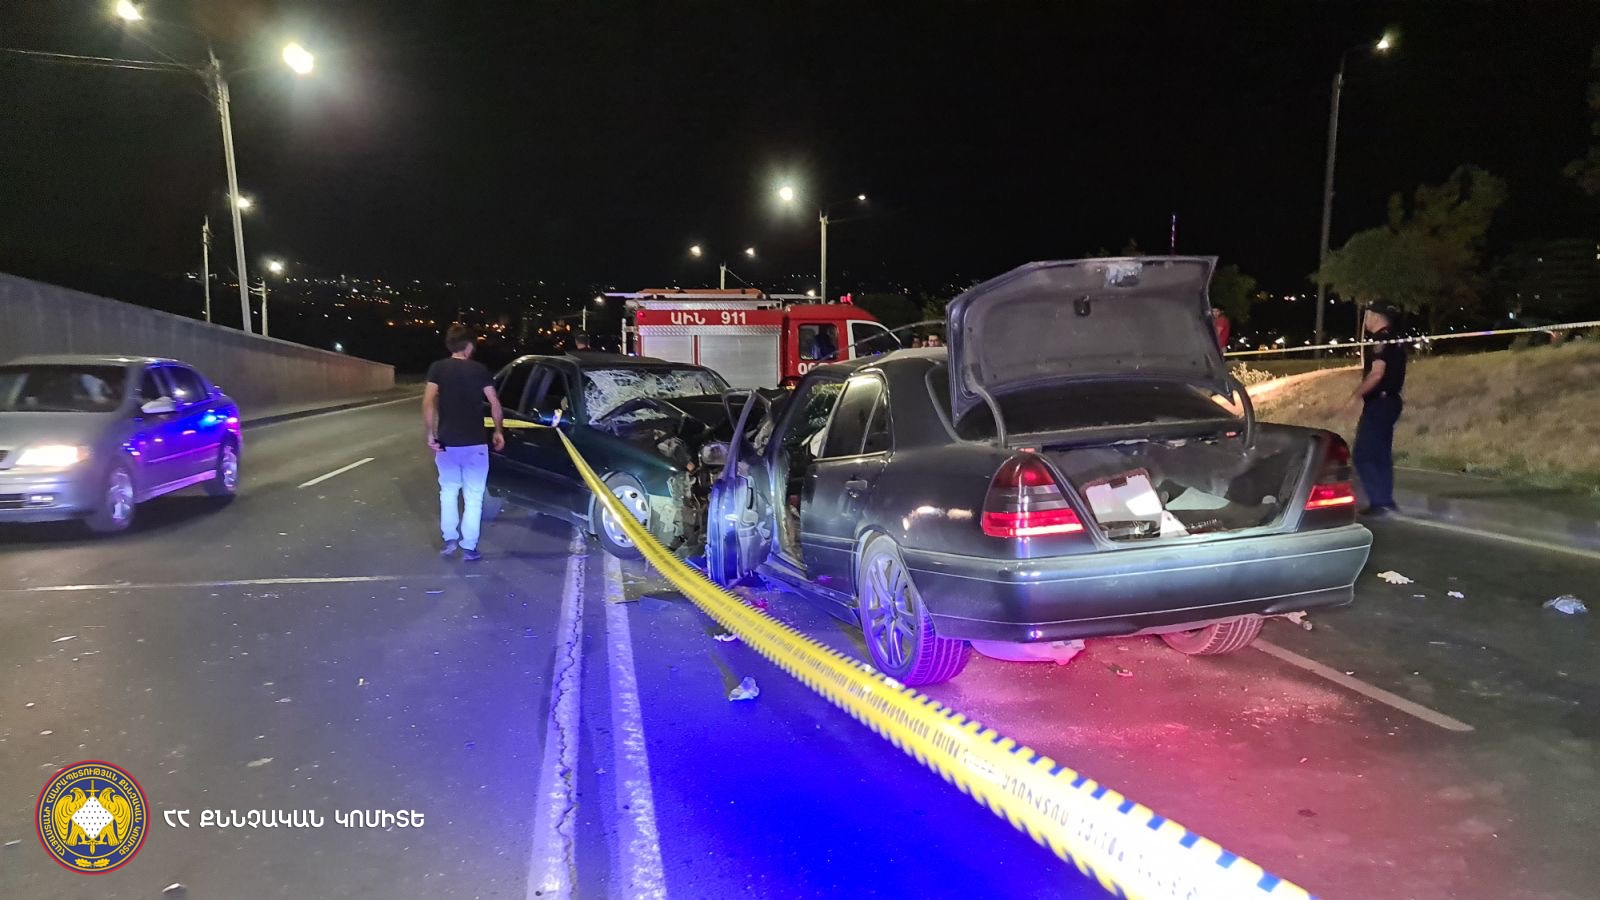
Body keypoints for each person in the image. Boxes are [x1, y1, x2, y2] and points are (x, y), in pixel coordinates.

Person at [423, 325, 506, 560]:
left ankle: (450, 539)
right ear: (469, 346)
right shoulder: (479, 370)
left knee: (448, 491)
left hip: (447, 443)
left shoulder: (437, 368)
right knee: (474, 496)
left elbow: (428, 402)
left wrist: (430, 434)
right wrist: (498, 430)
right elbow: (495, 402)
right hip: (476, 443)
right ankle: (469, 546)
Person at [1346, 302, 1408, 516]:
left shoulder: (1381, 340)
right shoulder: (1395, 338)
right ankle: (1385, 501)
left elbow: (1377, 373)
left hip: (1379, 403)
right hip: (1391, 401)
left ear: (1375, 316)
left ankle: (1379, 502)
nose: (1366, 319)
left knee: (1364, 454)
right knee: (1381, 453)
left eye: (1368, 315)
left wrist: (1356, 395)